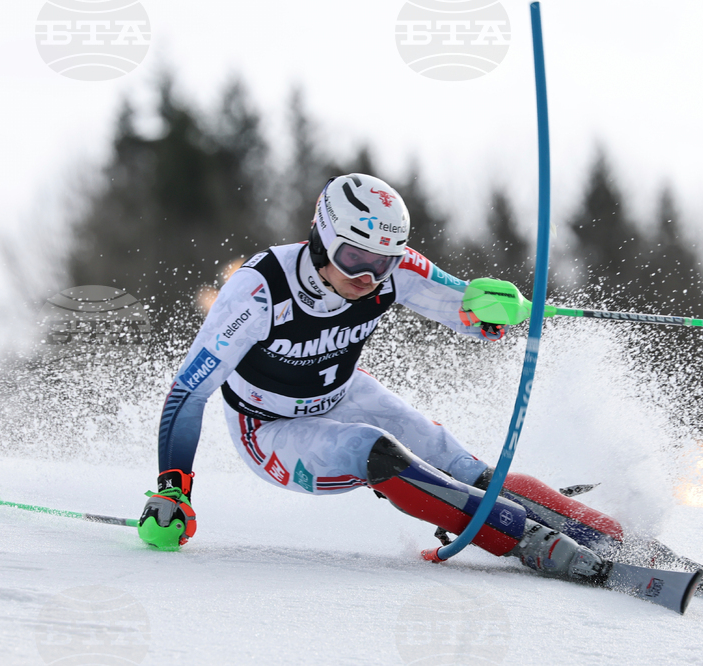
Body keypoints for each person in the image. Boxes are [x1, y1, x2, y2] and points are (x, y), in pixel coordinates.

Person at [138, 173, 633, 585]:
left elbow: (468, 312)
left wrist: (492, 308)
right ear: (323, 236)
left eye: (384, 263)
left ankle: (613, 537)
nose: (369, 278)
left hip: (343, 392)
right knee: (373, 449)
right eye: (356, 259)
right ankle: (525, 541)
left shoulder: (392, 268)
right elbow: (188, 392)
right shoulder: (258, 291)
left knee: (462, 465)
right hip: (269, 429)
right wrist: (173, 490)